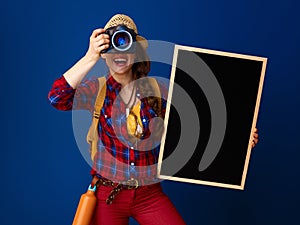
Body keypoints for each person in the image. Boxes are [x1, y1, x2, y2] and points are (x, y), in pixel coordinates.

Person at [48, 14, 259, 225]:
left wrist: (240, 139)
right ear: (104, 53)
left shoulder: (157, 91)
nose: (119, 54)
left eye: (126, 46)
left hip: (148, 194)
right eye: (112, 46)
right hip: (107, 195)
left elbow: (196, 128)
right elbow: (57, 97)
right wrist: (90, 56)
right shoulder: (97, 90)